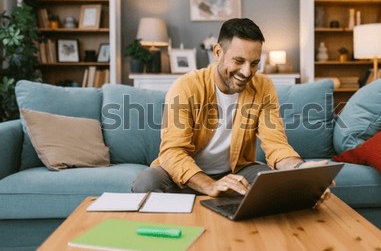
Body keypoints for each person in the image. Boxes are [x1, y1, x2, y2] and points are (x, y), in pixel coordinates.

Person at [132, 18, 331, 204]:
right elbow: (172, 152)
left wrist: (300, 170)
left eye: (254, 63)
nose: (246, 72)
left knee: (283, 183)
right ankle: (205, 196)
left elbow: (276, 145)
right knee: (147, 182)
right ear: (218, 52)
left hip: (236, 172)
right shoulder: (186, 86)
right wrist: (209, 185)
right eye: (238, 61)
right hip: (186, 175)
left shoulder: (263, 87)